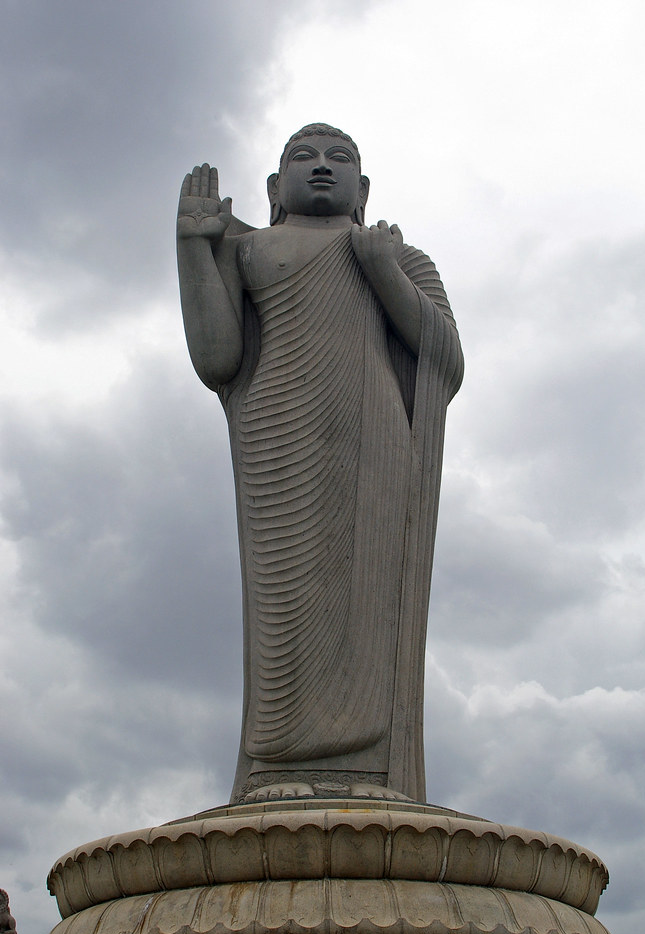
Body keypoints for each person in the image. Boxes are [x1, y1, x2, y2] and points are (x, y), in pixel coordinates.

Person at [177, 124, 463, 804]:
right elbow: (217, 359)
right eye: (303, 158)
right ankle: (280, 763)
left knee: (367, 594)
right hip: (277, 433)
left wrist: (382, 267)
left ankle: (370, 768)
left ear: (363, 190)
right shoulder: (249, 250)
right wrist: (194, 247)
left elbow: (443, 355)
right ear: (275, 188)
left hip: (373, 438)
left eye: (341, 159)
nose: (323, 168)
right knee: (285, 596)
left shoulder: (397, 255)